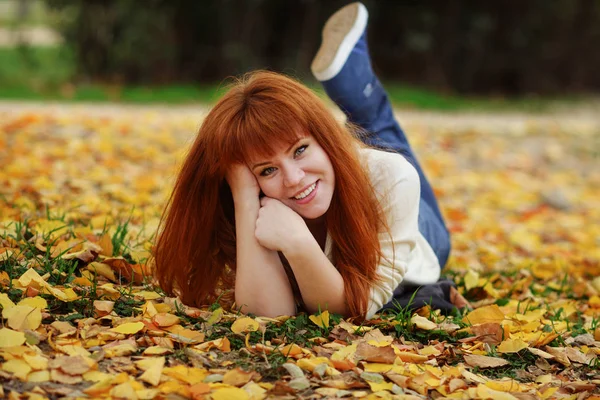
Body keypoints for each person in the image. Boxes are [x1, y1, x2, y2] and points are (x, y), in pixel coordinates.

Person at [154, 2, 452, 321]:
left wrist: (298, 243)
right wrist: (243, 196)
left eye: (300, 150)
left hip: (418, 234)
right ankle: (345, 80)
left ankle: (349, 79)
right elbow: (269, 313)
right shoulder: (254, 200)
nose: (293, 178)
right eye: (266, 169)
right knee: (375, 137)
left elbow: (354, 308)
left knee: (385, 142)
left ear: (325, 137)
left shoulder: (391, 179)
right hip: (341, 172)